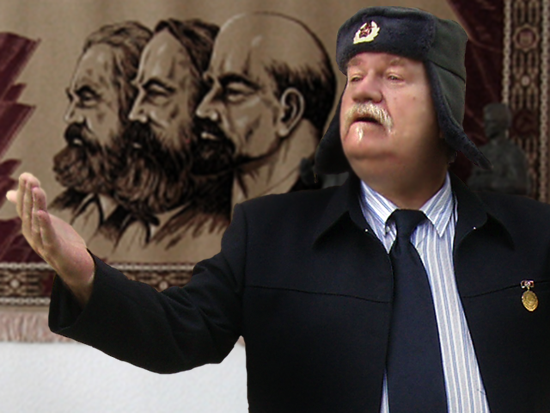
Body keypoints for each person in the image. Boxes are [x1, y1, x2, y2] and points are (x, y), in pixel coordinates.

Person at [7, 6, 550, 413]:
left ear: (447, 108)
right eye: (354, 76)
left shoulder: (535, 235)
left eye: (392, 76)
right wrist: (84, 275)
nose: (364, 91)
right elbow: (176, 333)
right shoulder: (268, 233)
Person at [195, 12, 336, 207]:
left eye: (233, 92)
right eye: (209, 86)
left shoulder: (341, 214)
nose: (203, 110)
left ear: (288, 112)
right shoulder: (197, 216)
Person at [119, 18, 234, 248]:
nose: (134, 114)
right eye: (138, 92)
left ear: (204, 102)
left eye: (156, 93)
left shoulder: (224, 230)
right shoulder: (134, 228)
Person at [51, 21, 152, 242]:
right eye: (72, 99)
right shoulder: (63, 209)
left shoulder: (159, 227)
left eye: (87, 98)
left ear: (133, 106)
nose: (70, 116)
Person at [468, 102, 531, 195]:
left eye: (490, 122)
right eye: (485, 121)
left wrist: (489, 182)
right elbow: (472, 182)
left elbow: (521, 185)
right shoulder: (482, 152)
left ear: (502, 124)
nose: (485, 126)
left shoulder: (512, 153)